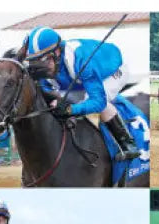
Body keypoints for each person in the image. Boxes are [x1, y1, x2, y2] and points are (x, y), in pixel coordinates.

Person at [23, 26, 139, 159]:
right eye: (35, 61)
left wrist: (70, 109)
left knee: (91, 99)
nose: (40, 67)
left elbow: (98, 103)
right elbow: (49, 92)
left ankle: (128, 144)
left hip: (112, 71)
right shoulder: (47, 65)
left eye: (44, 60)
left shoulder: (81, 61)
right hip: (78, 76)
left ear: (57, 53)